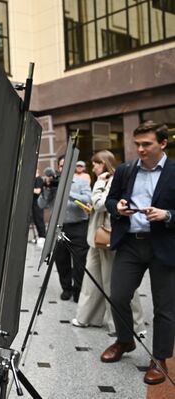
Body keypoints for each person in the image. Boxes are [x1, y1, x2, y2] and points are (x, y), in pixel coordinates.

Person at [100, 121, 175, 385]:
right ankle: (124, 340)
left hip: (163, 244)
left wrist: (167, 215)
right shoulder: (125, 170)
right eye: (137, 144)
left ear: (163, 144)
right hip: (130, 243)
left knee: (164, 307)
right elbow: (111, 200)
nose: (140, 149)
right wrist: (117, 207)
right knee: (118, 295)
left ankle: (160, 358)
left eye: (147, 144)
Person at [72, 150, 145, 333]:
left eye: (95, 163)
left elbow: (100, 202)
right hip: (97, 237)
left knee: (113, 282)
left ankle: (129, 325)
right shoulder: (105, 180)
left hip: (108, 237)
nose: (93, 166)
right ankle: (86, 317)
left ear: (103, 164)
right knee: (92, 279)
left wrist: (97, 187)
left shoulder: (111, 180)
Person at [38, 155, 92, 302]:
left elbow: (88, 198)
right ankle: (66, 289)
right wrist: (48, 188)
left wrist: (68, 192)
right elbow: (42, 204)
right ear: (58, 167)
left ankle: (78, 290)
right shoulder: (53, 183)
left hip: (78, 226)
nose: (64, 169)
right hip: (59, 228)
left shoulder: (81, 182)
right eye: (61, 166)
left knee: (80, 262)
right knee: (61, 261)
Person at [32, 168, 46, 246]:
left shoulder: (39, 179)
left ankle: (43, 236)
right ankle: (40, 236)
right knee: (36, 219)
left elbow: (38, 191)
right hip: (34, 203)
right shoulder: (34, 179)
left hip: (38, 203)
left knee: (39, 219)